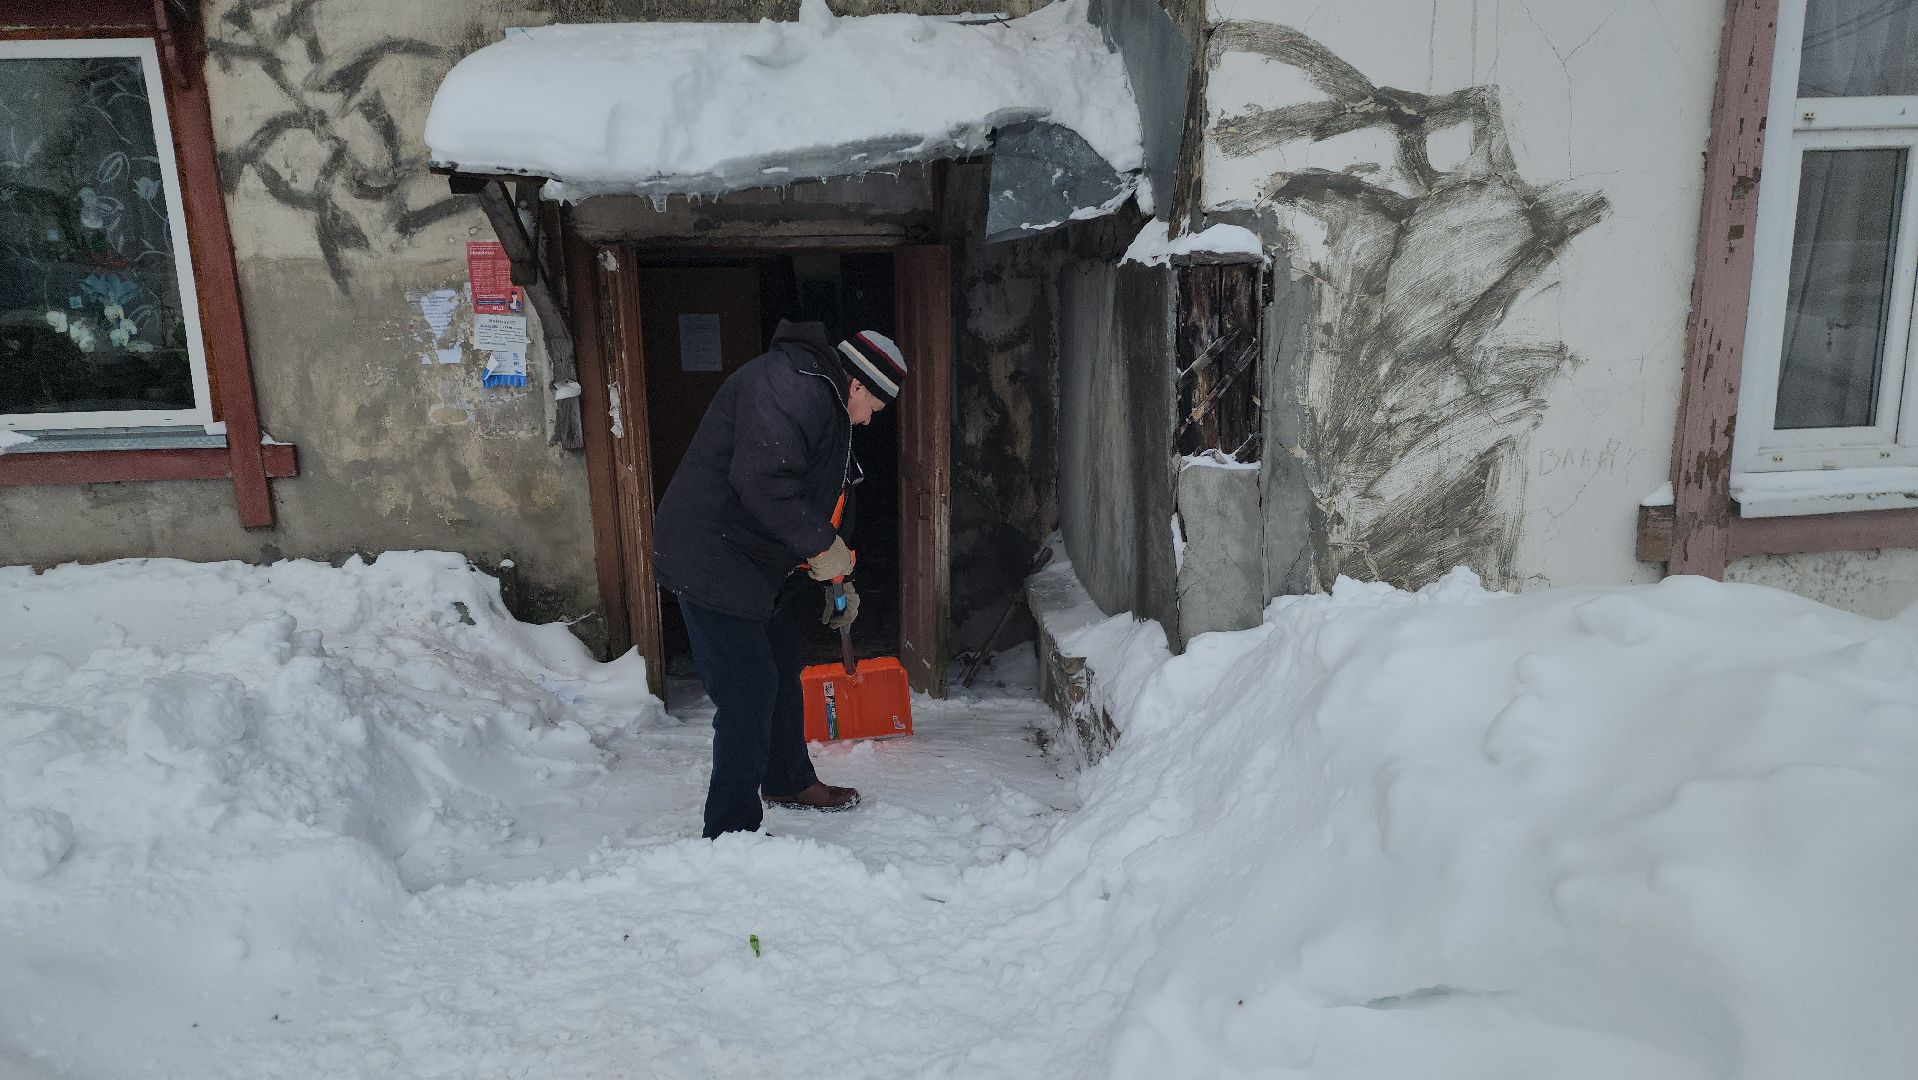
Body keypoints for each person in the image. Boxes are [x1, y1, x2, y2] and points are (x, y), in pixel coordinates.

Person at [652, 319, 908, 839]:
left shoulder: (823, 398)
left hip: (745, 557)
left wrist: (837, 575)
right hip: (710, 554)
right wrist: (820, 549)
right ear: (858, 384)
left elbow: (820, 498)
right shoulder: (790, 386)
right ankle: (732, 832)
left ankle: (786, 779)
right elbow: (763, 483)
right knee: (748, 690)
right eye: (874, 409)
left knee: (783, 660)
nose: (869, 421)